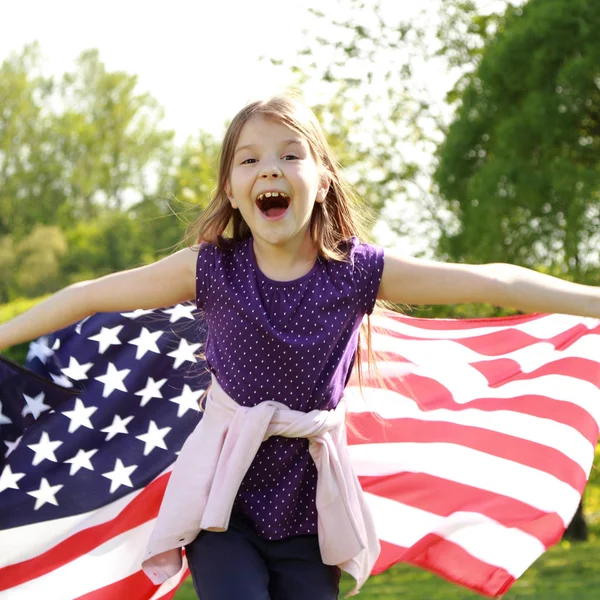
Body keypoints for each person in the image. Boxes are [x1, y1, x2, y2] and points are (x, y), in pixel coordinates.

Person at [1, 95, 599, 600]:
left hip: (309, 512)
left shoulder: (356, 273)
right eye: (250, 159)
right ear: (231, 190)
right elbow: (85, 295)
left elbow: (496, 281)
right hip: (221, 502)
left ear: (323, 178)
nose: (270, 169)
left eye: (291, 155)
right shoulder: (210, 269)